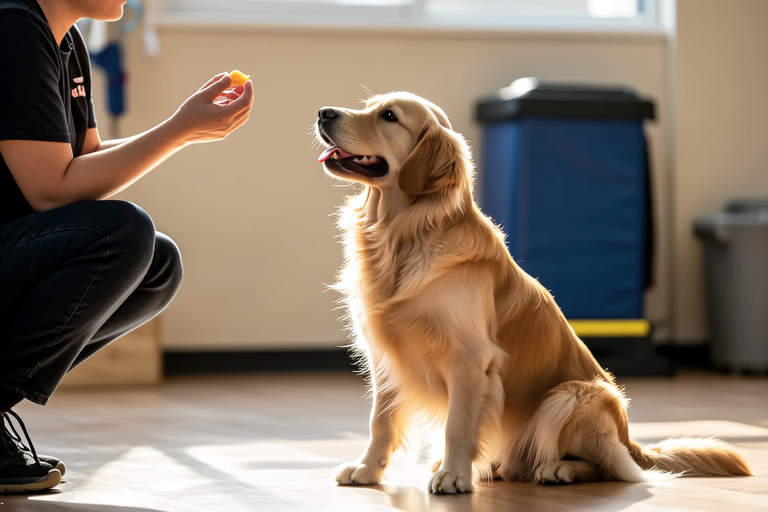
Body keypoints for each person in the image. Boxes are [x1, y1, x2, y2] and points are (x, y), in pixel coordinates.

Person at [0, 0, 254, 493]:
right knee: (123, 232)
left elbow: (86, 158)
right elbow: (51, 189)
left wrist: (183, 130)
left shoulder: (65, 41)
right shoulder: (13, 28)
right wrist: (178, 130)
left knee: (158, 264)